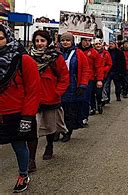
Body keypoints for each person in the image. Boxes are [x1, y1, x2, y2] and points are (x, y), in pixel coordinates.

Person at [0, 24, 41, 193]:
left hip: (17, 114)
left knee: (19, 146)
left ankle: (23, 175)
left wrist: (28, 116)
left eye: (0, 38)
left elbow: (33, 91)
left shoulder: (23, 60)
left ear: (8, 38)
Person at [27, 30, 69, 172]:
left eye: (42, 41)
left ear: (48, 42)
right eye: (37, 41)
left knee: (50, 127)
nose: (39, 44)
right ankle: (31, 159)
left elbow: (64, 77)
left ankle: (49, 145)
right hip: (33, 100)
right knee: (32, 130)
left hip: (50, 99)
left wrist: (56, 93)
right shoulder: (28, 57)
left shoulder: (56, 57)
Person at [58, 32, 91, 142]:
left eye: (67, 40)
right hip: (58, 87)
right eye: (63, 40)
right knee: (57, 111)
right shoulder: (56, 53)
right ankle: (56, 131)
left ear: (72, 41)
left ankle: (67, 131)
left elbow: (86, 70)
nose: (65, 42)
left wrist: (82, 85)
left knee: (69, 111)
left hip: (72, 85)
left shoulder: (79, 53)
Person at [78, 37, 103, 124]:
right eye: (85, 40)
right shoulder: (76, 51)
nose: (87, 43)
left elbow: (99, 67)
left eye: (89, 41)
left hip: (89, 79)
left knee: (85, 99)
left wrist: (99, 80)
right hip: (76, 79)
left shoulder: (94, 53)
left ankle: (84, 117)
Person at [93, 38, 111, 114]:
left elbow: (109, 64)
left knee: (98, 91)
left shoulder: (106, 53)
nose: (98, 45)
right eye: (96, 44)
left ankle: (99, 103)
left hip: (102, 75)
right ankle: (93, 107)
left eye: (99, 44)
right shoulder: (91, 53)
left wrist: (103, 70)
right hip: (92, 75)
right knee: (91, 92)